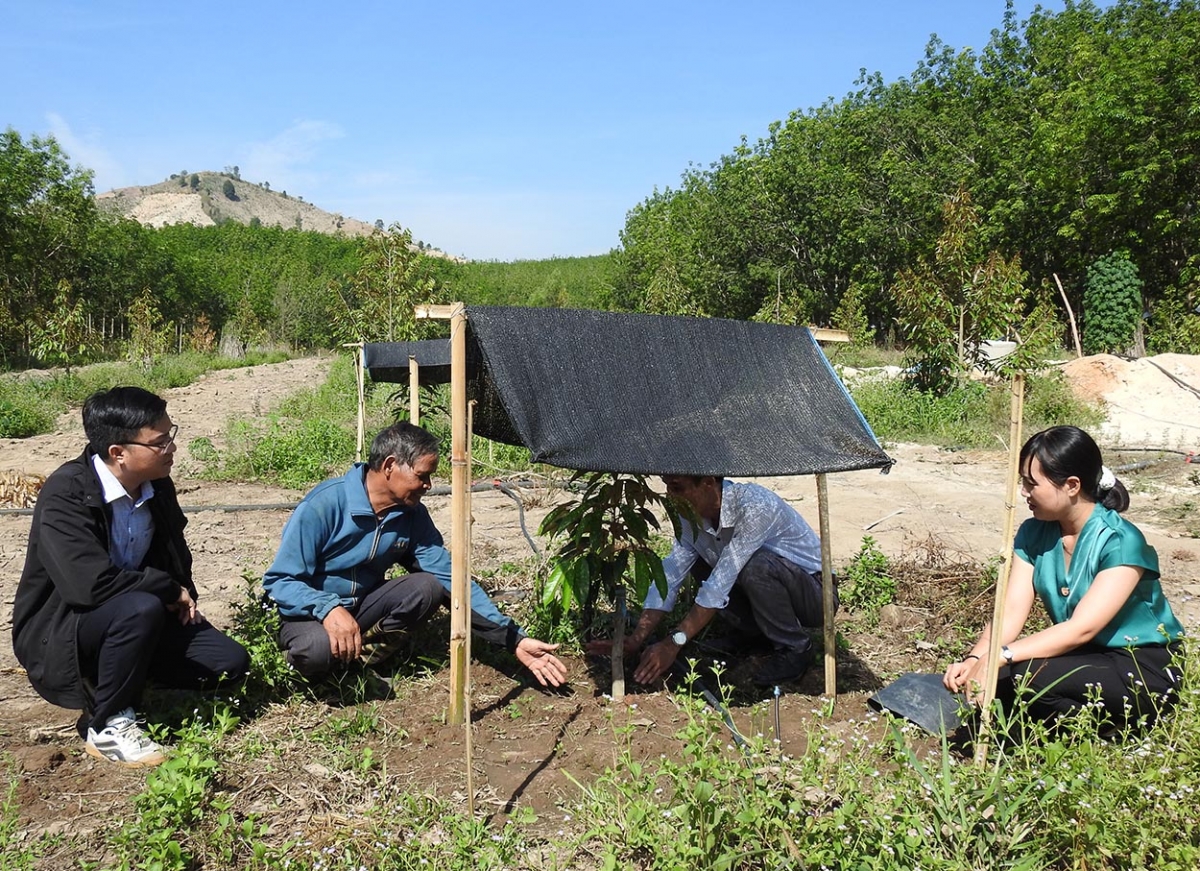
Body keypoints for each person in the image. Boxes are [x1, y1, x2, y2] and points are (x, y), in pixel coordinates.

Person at [12, 387, 250, 767]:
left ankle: (126, 673)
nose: (171, 447)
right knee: (138, 607)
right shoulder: (67, 493)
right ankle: (107, 724)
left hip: (136, 615)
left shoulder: (156, 485)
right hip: (64, 628)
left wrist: (183, 594)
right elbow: (88, 586)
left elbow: (172, 553)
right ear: (118, 453)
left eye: (171, 434)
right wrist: (166, 588)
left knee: (228, 663)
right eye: (159, 442)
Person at [262, 421, 568, 688]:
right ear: (390, 465)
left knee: (426, 587)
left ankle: (359, 666)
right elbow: (280, 580)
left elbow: (448, 577)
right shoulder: (325, 505)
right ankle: (317, 666)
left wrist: (513, 638)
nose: (428, 485)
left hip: (362, 605)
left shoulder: (411, 515)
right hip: (310, 613)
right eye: (423, 475)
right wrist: (328, 608)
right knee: (315, 651)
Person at [944, 426, 1185, 733]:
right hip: (1087, 657)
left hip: (1141, 664)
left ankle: (1112, 736)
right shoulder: (1034, 533)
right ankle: (1055, 731)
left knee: (1028, 677)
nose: (1023, 492)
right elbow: (1011, 611)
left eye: (1032, 483)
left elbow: (1082, 628)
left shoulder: (1120, 541)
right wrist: (976, 659)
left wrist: (1000, 658)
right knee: (995, 682)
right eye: (1022, 482)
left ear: (1072, 485)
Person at [586, 475, 830, 687]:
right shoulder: (689, 517)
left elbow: (718, 587)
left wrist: (673, 643)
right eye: (667, 487)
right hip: (768, 587)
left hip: (815, 596)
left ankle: (796, 648)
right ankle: (755, 635)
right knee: (701, 562)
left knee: (756, 567)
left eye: (678, 488)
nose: (671, 497)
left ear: (708, 483)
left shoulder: (755, 506)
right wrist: (637, 638)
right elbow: (671, 575)